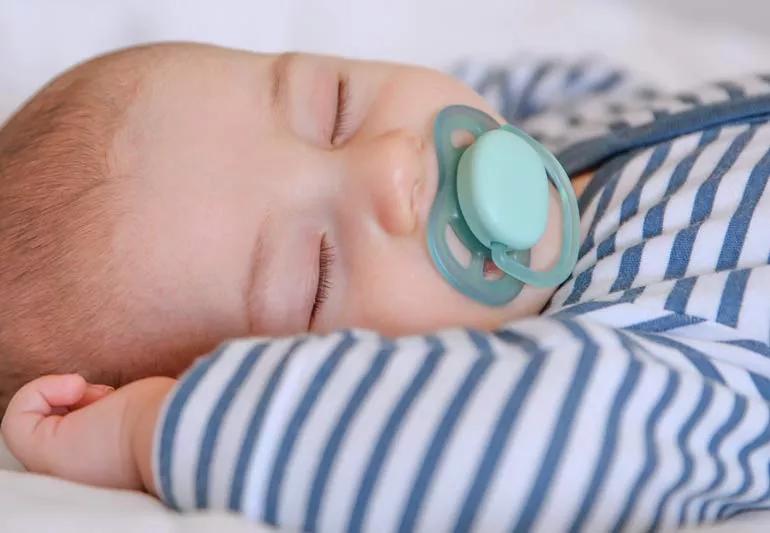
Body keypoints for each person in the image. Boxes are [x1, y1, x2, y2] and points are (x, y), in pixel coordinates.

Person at [4, 42, 770, 532]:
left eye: (333, 105)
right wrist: (158, 430)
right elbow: (490, 445)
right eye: (315, 277)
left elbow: (536, 83)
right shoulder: (634, 354)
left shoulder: (553, 134)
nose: (393, 166)